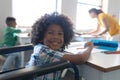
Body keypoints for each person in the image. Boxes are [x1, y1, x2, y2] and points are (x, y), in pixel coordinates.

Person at [26, 13, 93, 80]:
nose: (56, 36)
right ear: (41, 36)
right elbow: (80, 59)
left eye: (60, 33)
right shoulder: (43, 50)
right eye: (50, 32)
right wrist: (89, 47)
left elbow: (75, 56)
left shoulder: (51, 49)